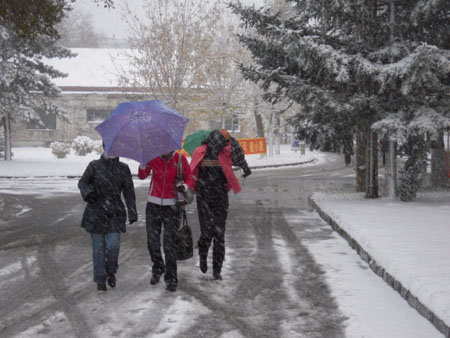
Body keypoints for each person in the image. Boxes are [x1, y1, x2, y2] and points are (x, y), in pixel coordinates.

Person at [190, 129, 251, 280]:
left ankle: (217, 270)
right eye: (220, 142)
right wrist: (186, 191)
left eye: (223, 143)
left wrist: (245, 167)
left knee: (219, 234)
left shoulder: (226, 152)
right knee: (207, 232)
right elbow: (191, 173)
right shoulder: (199, 152)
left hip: (221, 197)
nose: (222, 145)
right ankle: (203, 254)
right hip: (203, 197)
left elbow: (239, 158)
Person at [78, 143, 137, 291]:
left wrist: (132, 211)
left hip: (115, 212)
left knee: (113, 246)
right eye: (108, 146)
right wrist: (89, 194)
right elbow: (82, 182)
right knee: (98, 248)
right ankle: (100, 278)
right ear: (104, 147)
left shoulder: (123, 168)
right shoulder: (94, 166)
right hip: (95, 211)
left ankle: (111, 271)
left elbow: (129, 192)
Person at [138, 150, 192, 292]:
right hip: (153, 205)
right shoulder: (153, 157)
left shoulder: (180, 159)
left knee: (169, 244)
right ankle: (158, 267)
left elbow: (189, 178)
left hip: (172, 206)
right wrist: (143, 164)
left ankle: (171, 278)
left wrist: (184, 186)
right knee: (152, 242)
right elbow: (142, 176)